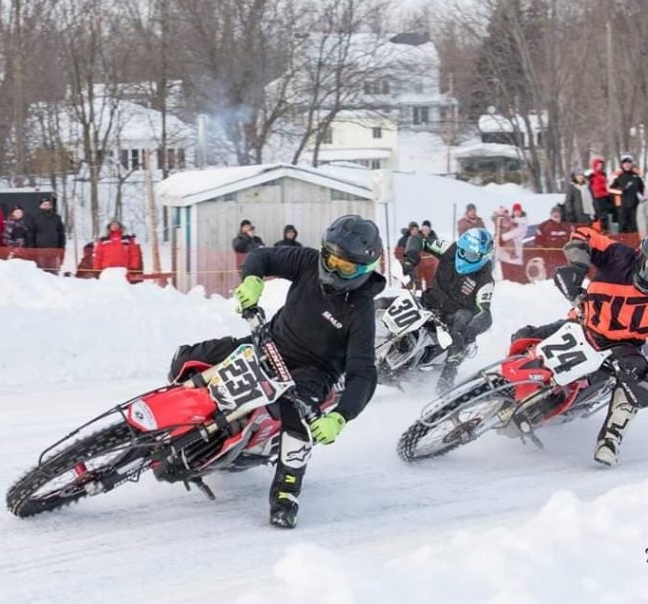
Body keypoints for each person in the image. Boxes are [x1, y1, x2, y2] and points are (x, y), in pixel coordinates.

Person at [169, 215, 385, 528]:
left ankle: (286, 492)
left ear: (364, 269)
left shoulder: (361, 312)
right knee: (186, 359)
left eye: (346, 267)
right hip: (268, 343)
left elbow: (363, 373)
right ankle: (181, 424)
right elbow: (263, 255)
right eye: (331, 258)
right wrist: (253, 279)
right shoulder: (309, 261)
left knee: (298, 422)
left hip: (311, 373)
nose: (334, 269)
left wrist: (341, 417)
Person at [530, 227, 648, 466]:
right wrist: (578, 267)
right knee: (525, 335)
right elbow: (582, 235)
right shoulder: (618, 256)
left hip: (621, 348)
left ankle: (611, 437)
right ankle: (498, 383)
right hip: (582, 324)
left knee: (636, 370)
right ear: (640, 256)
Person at [405, 228, 496, 391]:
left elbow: (486, 314)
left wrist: (472, 330)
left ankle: (448, 376)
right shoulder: (450, 248)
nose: (463, 257)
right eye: (462, 251)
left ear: (483, 258)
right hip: (428, 302)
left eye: (471, 255)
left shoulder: (485, 280)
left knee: (461, 323)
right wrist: (411, 255)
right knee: (385, 302)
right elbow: (419, 240)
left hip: (452, 321)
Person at [609, 154, 644, 233]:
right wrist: (621, 191)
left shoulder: (636, 175)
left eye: (629, 163)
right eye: (625, 163)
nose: (627, 165)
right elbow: (609, 189)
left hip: (634, 205)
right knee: (622, 225)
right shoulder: (617, 175)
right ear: (622, 165)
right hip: (622, 205)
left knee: (634, 225)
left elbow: (642, 190)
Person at [31, 196, 66, 273]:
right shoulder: (35, 218)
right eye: (44, 204)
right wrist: (33, 250)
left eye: (48, 204)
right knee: (41, 273)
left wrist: (61, 248)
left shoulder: (57, 218)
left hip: (54, 250)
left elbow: (61, 234)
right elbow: (31, 235)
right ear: (40, 206)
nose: (46, 206)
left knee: (53, 272)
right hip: (40, 250)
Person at [589, 157, 613, 230]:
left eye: (601, 165)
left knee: (606, 215)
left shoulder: (603, 174)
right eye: (598, 165)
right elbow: (594, 187)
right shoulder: (592, 176)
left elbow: (607, 185)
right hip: (597, 198)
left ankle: (606, 229)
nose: (600, 167)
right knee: (599, 216)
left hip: (605, 197)